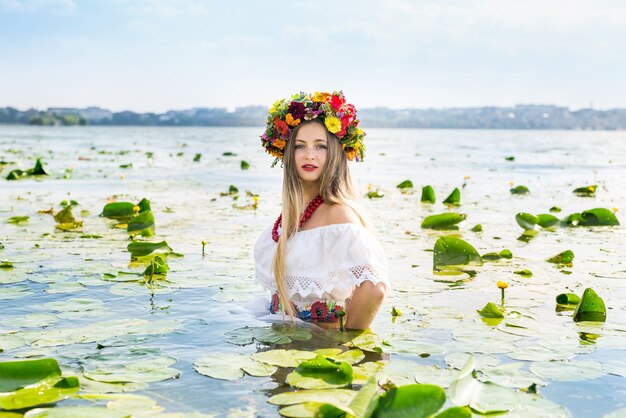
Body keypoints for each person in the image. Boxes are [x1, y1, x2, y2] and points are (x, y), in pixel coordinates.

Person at [254, 91, 388, 330]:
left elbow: (374, 289)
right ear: (288, 153)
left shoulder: (339, 214)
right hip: (282, 340)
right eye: (300, 146)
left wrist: (348, 340)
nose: (309, 155)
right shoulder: (292, 214)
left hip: (316, 347)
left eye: (320, 146)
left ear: (334, 154)